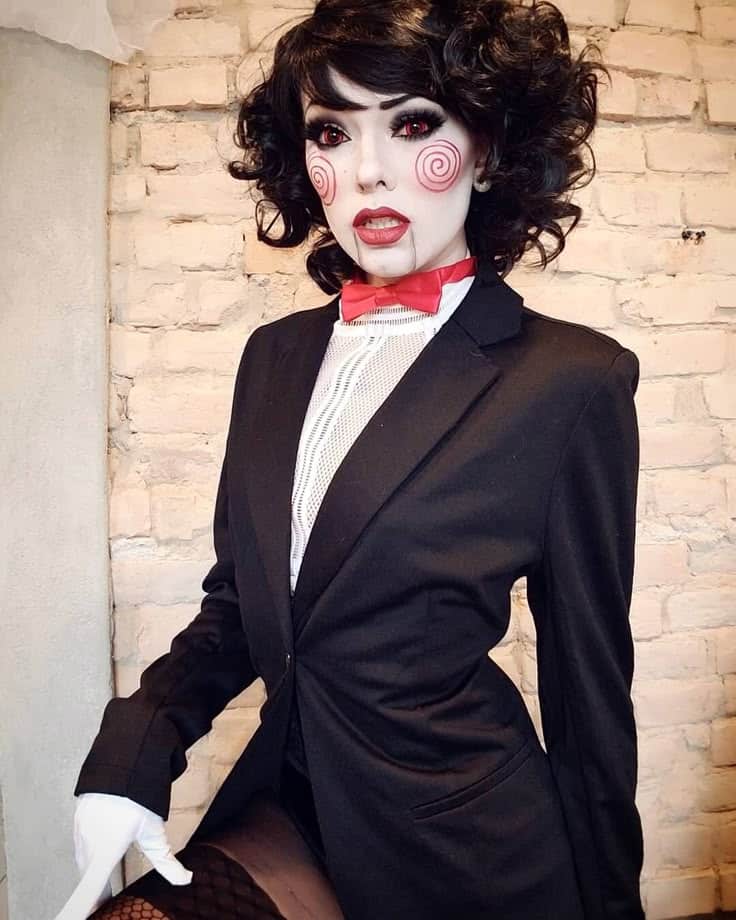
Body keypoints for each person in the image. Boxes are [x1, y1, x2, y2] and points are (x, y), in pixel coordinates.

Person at [53, 0, 646, 917]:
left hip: (460, 837)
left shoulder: (572, 380)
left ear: (486, 150)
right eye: (332, 131)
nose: (367, 171)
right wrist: (130, 755)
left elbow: (589, 690)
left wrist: (609, 900)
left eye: (412, 125)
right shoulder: (275, 357)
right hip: (290, 803)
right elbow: (238, 606)